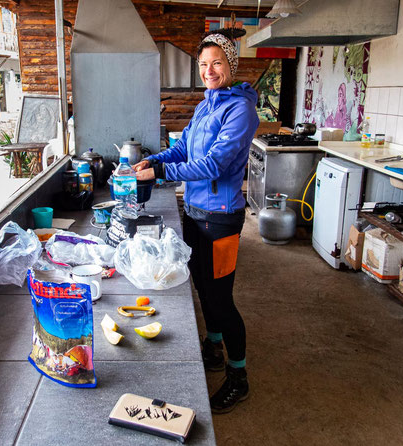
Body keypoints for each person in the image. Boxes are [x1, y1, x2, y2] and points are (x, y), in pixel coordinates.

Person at [134, 31, 259, 414]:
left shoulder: (240, 110)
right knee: (204, 289)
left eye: (217, 63)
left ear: (231, 65)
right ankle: (213, 347)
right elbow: (184, 146)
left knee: (222, 300)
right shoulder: (207, 105)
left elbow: (214, 164)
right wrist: (155, 160)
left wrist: (161, 173)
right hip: (195, 212)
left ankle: (239, 378)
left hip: (221, 219)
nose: (209, 71)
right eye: (203, 65)